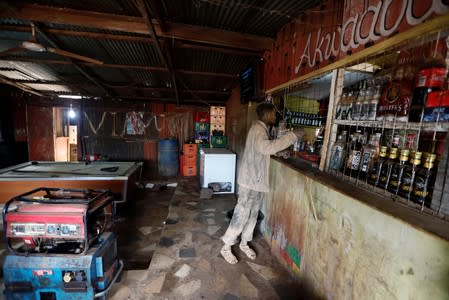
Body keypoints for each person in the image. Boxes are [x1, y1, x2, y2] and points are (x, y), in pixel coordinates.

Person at [220, 102, 304, 264]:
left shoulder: (261, 130)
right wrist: (292, 136)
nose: (274, 116)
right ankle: (226, 246)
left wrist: (280, 151)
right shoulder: (258, 130)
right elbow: (266, 148)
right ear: (266, 115)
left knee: (252, 214)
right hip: (250, 181)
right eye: (273, 113)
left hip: (255, 180)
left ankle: (244, 242)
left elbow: (263, 150)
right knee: (242, 214)